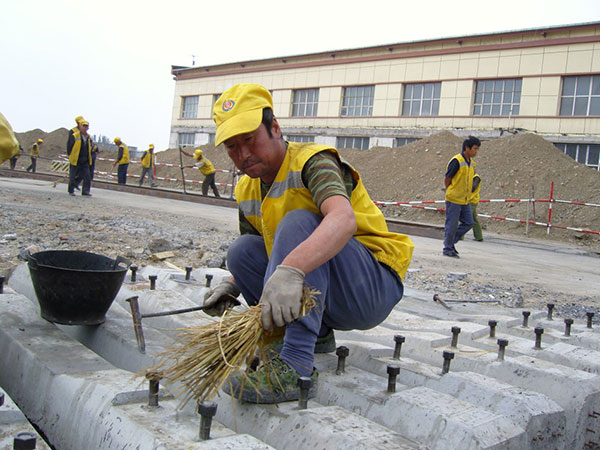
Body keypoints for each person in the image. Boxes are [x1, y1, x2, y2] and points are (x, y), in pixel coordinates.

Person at [202, 83, 414, 403]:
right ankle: (316, 336)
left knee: (299, 221)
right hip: (326, 289)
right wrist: (232, 284)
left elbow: (343, 219)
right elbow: (261, 247)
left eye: (249, 139)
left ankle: (296, 364)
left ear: (274, 127)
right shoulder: (246, 189)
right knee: (241, 251)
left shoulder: (313, 162)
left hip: (369, 284)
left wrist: (293, 269)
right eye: (232, 147)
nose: (243, 154)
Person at [443, 135, 480, 257]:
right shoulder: (457, 161)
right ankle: (448, 249)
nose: (476, 151)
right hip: (454, 199)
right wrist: (451, 190)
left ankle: (450, 242)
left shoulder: (471, 164)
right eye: (474, 148)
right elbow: (448, 178)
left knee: (468, 222)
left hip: (465, 200)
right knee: (451, 225)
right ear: (467, 148)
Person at [66, 119, 93, 196]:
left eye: (86, 126)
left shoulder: (88, 137)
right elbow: (69, 145)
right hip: (76, 158)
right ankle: (71, 190)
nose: (85, 128)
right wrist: (69, 155)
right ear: (80, 127)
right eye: (83, 126)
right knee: (72, 175)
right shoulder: (75, 136)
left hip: (85, 159)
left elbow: (90, 147)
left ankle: (85, 191)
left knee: (87, 176)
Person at [469, 174, 483, 241]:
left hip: (472, 201)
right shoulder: (471, 177)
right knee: (473, 218)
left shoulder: (476, 178)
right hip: (468, 200)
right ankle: (478, 236)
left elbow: (473, 188)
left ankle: (459, 235)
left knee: (469, 218)